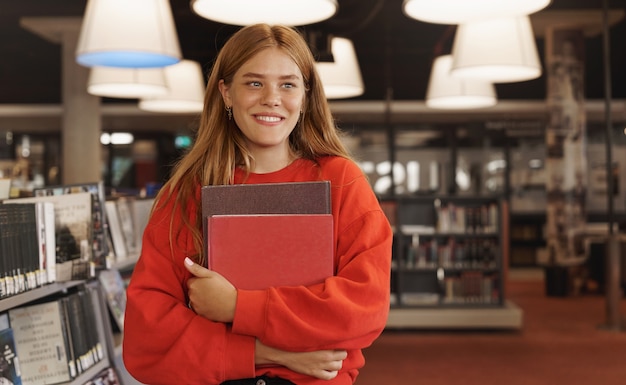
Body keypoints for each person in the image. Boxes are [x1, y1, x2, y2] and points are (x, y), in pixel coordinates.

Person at [123, 23, 392, 385]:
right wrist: (269, 353)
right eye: (253, 83)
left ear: (306, 95)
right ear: (226, 93)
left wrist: (237, 307)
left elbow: (363, 309)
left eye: (288, 84)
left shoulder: (341, 181)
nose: (271, 98)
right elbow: (146, 339)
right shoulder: (186, 192)